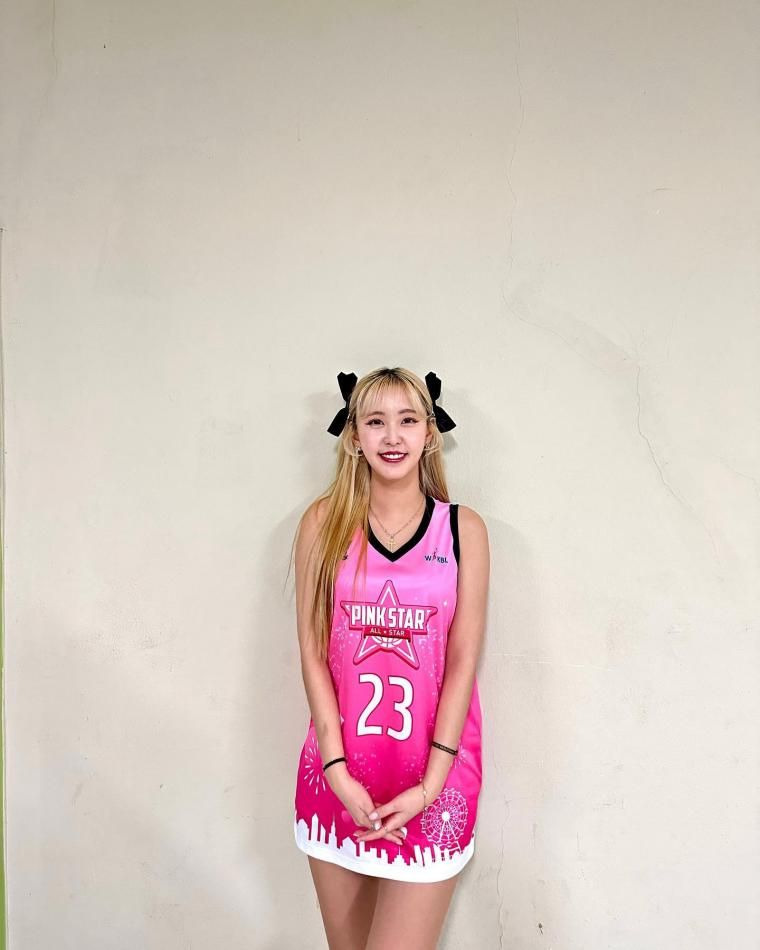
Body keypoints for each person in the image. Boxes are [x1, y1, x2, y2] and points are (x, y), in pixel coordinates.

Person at [290, 366, 489, 949]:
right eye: (376, 421)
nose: (393, 436)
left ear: (430, 433)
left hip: (434, 782)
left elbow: (462, 661)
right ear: (354, 436)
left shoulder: (463, 530)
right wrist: (336, 771)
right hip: (340, 779)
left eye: (408, 420)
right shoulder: (323, 523)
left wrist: (430, 787)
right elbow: (311, 649)